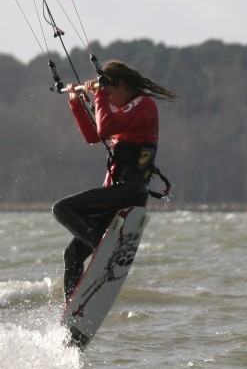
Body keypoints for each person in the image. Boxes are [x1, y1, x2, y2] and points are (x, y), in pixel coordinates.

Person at [52, 59, 178, 301]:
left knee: (61, 208)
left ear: (122, 85)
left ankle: (102, 248)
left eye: (109, 93)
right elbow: (93, 135)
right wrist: (75, 101)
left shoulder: (144, 104)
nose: (107, 99)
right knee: (73, 254)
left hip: (130, 191)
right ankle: (74, 311)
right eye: (104, 95)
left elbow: (104, 127)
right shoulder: (125, 113)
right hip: (116, 193)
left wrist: (98, 95)